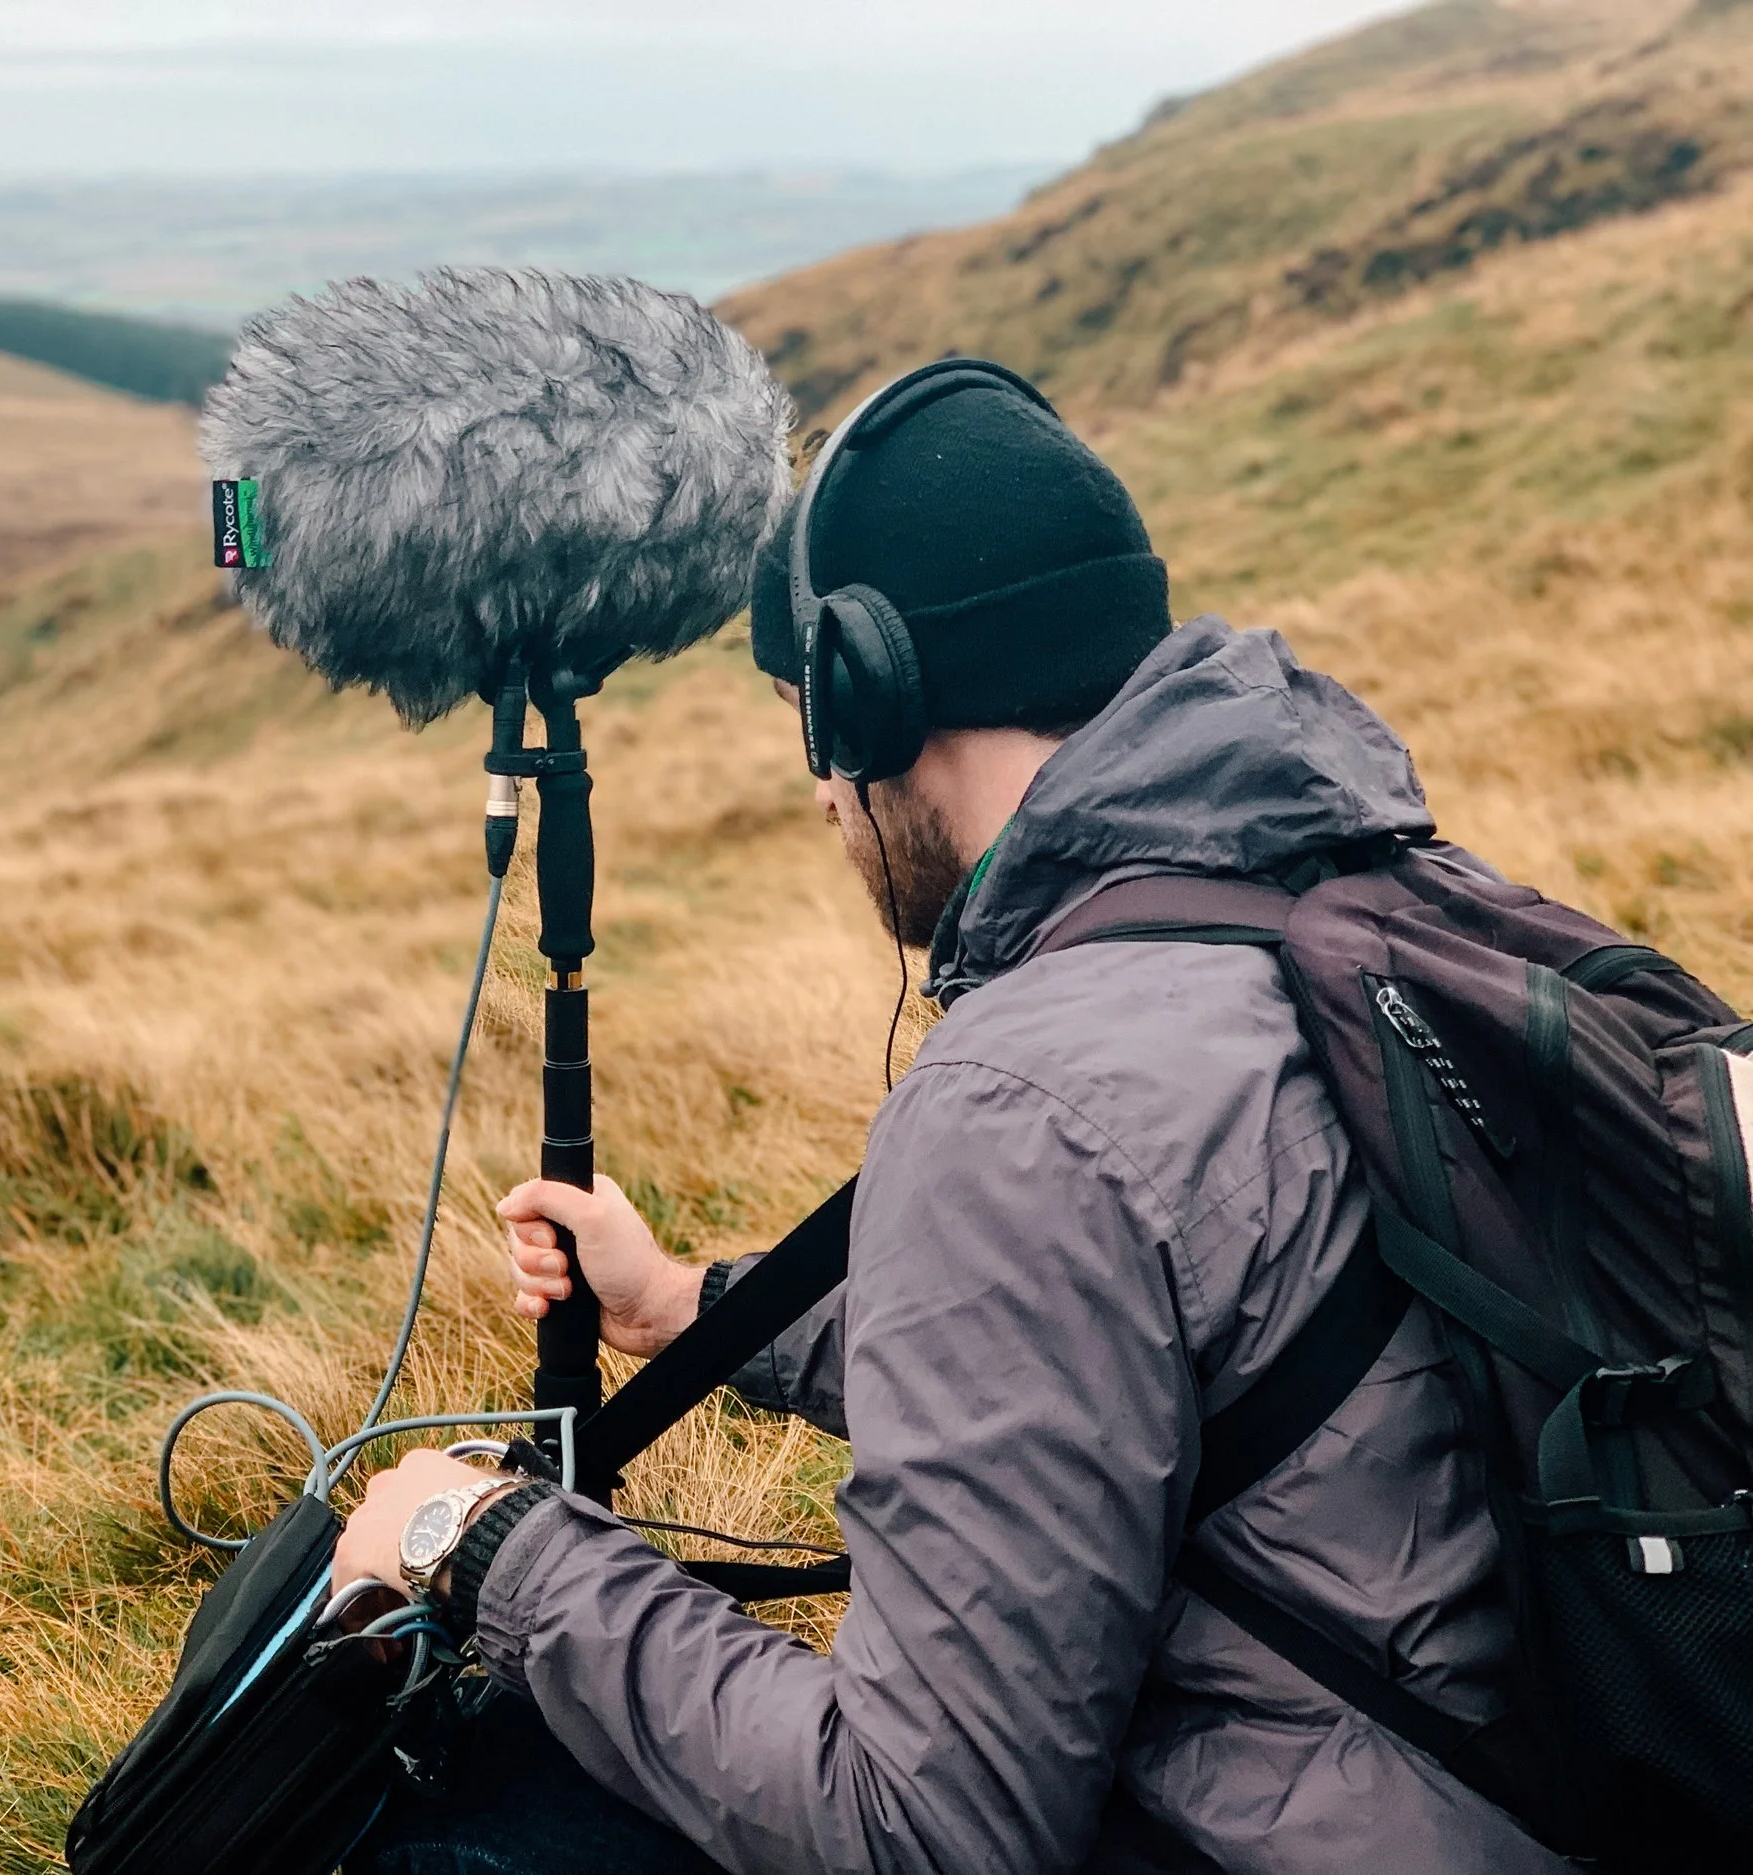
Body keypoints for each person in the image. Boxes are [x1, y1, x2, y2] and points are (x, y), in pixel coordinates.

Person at [333, 360, 1569, 1873]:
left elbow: (925, 1833)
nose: (818, 799)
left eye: (804, 722)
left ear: (868, 692)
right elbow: (1137, 1356)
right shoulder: (1369, 897)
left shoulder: (1025, 1101)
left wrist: (486, 1550)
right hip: (1534, 1787)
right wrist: (686, 1307)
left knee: (456, 1827)